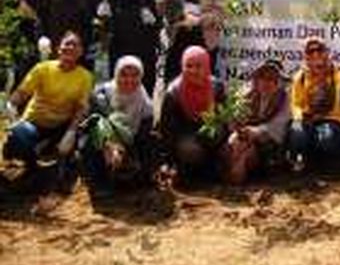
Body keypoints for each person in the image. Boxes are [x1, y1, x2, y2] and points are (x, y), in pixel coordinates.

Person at [3, 32, 94, 178]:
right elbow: (21, 92)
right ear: (58, 48)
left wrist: (71, 132)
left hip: (62, 125)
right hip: (34, 122)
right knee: (19, 137)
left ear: (81, 52)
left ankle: (60, 159)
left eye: (75, 44)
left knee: (76, 140)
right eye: (67, 44)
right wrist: (10, 106)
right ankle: (31, 165)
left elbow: (81, 108)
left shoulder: (86, 77)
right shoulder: (42, 68)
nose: (70, 47)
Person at [78, 56, 155, 194]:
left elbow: (144, 131)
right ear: (116, 74)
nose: (129, 80)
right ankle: (99, 182)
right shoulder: (101, 94)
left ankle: (138, 179)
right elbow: (90, 124)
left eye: (135, 75)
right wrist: (109, 145)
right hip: (103, 142)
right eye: (124, 75)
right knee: (89, 143)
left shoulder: (144, 101)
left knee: (152, 140)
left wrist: (128, 149)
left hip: (129, 140)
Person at [158, 46, 226, 181]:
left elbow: (224, 118)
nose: (193, 71)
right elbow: (167, 130)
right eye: (188, 66)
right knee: (189, 150)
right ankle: (188, 171)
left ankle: (212, 167)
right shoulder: (173, 92)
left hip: (210, 136)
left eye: (198, 66)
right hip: (185, 136)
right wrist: (169, 161)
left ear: (206, 65)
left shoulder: (216, 86)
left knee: (218, 135)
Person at [289, 38, 340, 170]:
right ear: (305, 56)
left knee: (327, 138)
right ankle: (302, 163)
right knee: (297, 132)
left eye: (319, 50)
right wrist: (302, 116)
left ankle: (332, 164)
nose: (315, 54)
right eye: (310, 51)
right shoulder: (300, 77)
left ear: (327, 53)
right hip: (308, 119)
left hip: (334, 119)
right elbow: (295, 104)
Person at [221, 59, 290, 185]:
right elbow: (232, 119)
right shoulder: (244, 95)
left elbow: (278, 126)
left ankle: (240, 174)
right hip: (244, 139)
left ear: (278, 82)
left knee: (247, 150)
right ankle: (234, 173)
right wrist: (240, 130)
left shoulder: (284, 99)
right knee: (235, 142)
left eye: (271, 79)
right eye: (262, 78)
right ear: (256, 79)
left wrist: (255, 132)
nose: (266, 83)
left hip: (269, 146)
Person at [103, 0, 161, 94]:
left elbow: (158, 26)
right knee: (120, 91)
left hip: (144, 53)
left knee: (144, 90)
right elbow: (105, 24)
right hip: (119, 51)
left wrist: (152, 21)